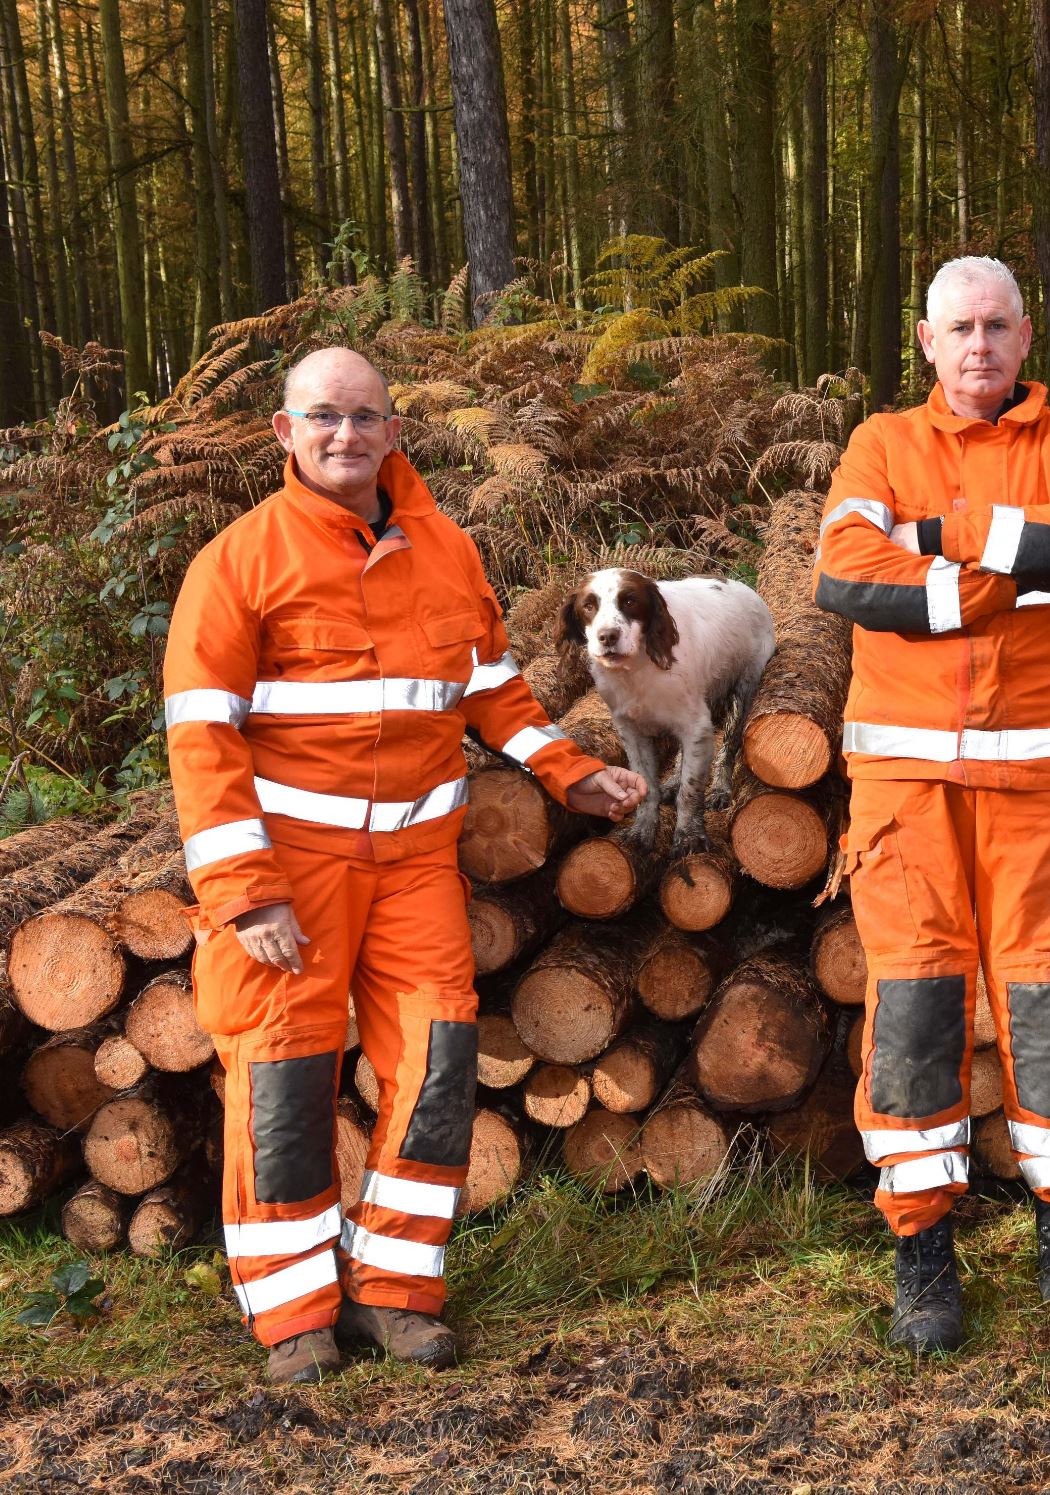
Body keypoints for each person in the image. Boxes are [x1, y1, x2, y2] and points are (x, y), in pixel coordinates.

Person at [164, 347, 646, 1383]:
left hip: (417, 866)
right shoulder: (239, 562)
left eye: (365, 417)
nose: (347, 435)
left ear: (394, 432)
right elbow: (201, 738)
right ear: (285, 434)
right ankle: (292, 1310)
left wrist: (571, 774)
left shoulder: (445, 549)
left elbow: (492, 689)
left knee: (433, 1068)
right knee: (285, 1081)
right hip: (292, 875)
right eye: (324, 417)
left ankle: (395, 1288)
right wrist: (246, 892)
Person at [812, 256, 1050, 1353]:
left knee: (1049, 1006)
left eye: (999, 324)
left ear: (1027, 332)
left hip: (1035, 782)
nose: (981, 345)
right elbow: (844, 575)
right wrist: (1004, 564)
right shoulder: (879, 446)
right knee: (911, 1009)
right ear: (926, 340)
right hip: (904, 790)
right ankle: (922, 1249)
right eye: (961, 328)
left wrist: (939, 543)